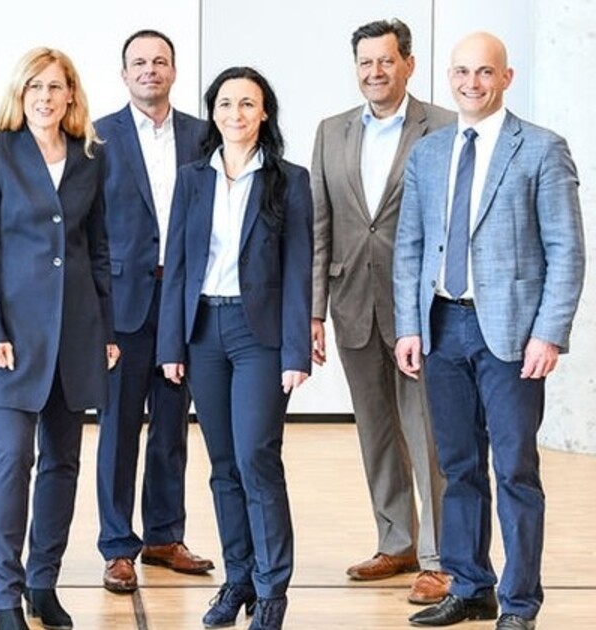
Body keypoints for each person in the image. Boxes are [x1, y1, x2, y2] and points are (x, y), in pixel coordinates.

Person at [396, 32, 584, 630]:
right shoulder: (429, 153)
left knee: (515, 470)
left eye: (484, 72)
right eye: (461, 72)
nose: (471, 83)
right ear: (448, 77)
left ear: (506, 78)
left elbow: (567, 250)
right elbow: (410, 248)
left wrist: (548, 333)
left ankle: (520, 603)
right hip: (441, 327)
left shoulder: (542, 149)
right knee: (458, 466)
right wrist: (408, 326)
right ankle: (471, 586)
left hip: (511, 336)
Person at [0, 47, 117, 630]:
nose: (46, 97)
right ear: (20, 94)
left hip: (77, 332)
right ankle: (5, 594)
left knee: (63, 462)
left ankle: (42, 582)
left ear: (71, 94)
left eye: (55, 87)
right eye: (35, 87)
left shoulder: (90, 156)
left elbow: (97, 249)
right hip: (11, 337)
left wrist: (105, 329)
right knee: (11, 460)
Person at [158, 66, 313, 630]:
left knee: (256, 459)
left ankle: (272, 591)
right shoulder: (192, 179)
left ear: (264, 112)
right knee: (223, 466)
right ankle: (238, 578)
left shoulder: (288, 180)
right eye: (225, 103)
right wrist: (171, 344)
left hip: (259, 337)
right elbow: (177, 264)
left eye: (248, 103)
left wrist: (296, 352)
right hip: (203, 331)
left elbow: (298, 270)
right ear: (213, 112)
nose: (236, 113)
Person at [309, 18, 454, 604]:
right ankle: (396, 541)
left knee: (430, 436)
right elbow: (321, 226)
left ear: (408, 64)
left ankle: (440, 558)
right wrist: (313, 311)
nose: (375, 72)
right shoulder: (331, 131)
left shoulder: (443, 126)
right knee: (376, 431)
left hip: (422, 308)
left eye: (386, 61)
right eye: (366, 62)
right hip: (352, 303)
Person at [94, 28, 213, 594]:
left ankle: (165, 535)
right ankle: (117, 545)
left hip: (184, 299)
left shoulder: (203, 135)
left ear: (174, 71)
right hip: (123, 305)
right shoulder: (97, 137)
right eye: (138, 62)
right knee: (118, 428)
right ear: (124, 74)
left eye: (159, 61)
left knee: (171, 424)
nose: (149, 70)